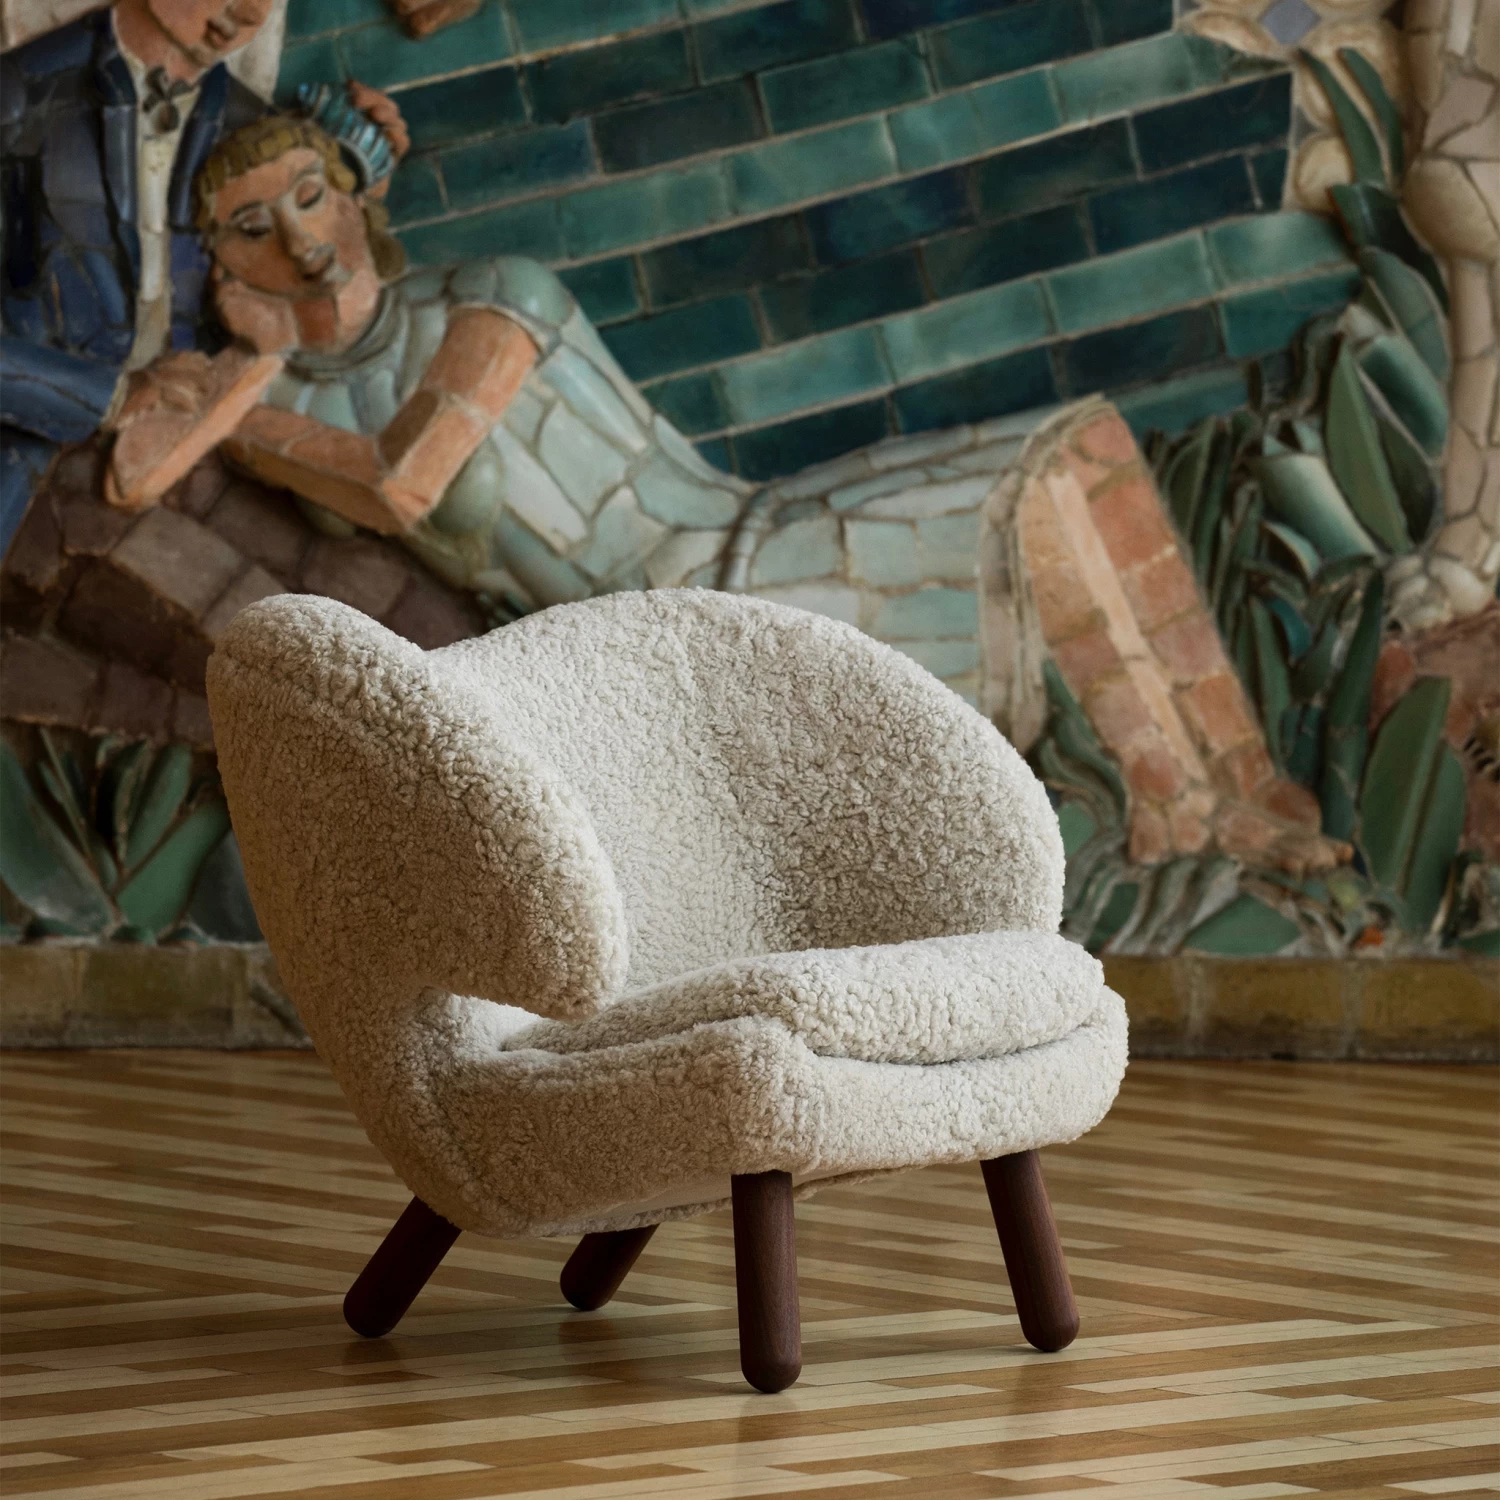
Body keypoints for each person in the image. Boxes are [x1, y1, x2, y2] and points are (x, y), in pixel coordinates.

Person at [107, 113, 1353, 883]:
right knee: (1048, 486)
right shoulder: (274, 400)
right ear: (223, 266)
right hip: (659, 631)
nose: (299, 239)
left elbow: (408, 475)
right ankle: (1179, 806)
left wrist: (246, 401)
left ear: (355, 191)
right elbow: (135, 471)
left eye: (309, 196)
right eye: (252, 228)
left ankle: (1230, 785)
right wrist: (245, 380)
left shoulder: (492, 295)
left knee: (1080, 448)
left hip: (722, 545)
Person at [0, 0, 408, 551]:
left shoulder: (251, 131)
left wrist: (360, 193)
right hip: (23, 442)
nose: (248, 12)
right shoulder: (21, 95)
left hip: (184, 458)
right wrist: (109, 396)